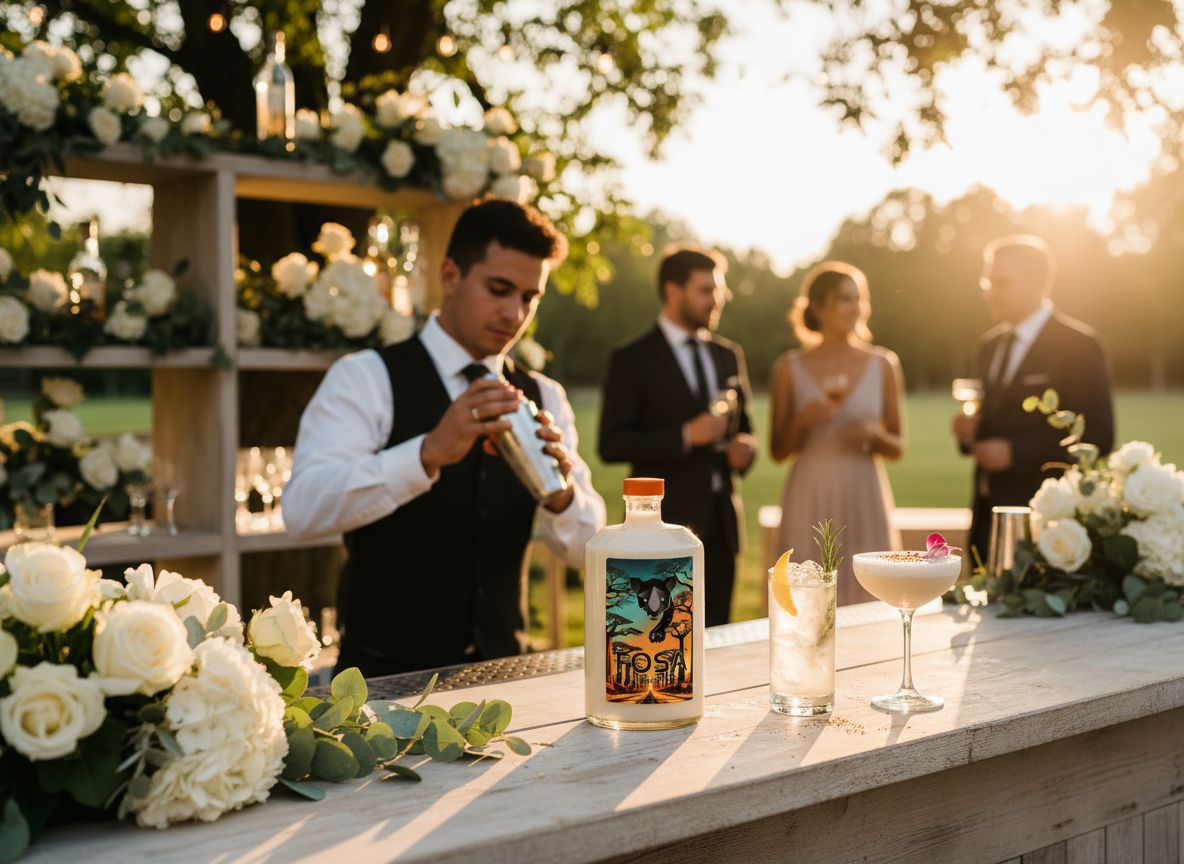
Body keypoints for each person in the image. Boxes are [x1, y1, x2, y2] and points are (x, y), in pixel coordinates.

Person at [284, 198, 606, 677]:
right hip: (381, 685)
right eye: (499, 289)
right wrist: (427, 454)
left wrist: (560, 497)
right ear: (451, 276)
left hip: (505, 682)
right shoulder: (365, 379)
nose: (514, 312)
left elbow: (591, 551)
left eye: (528, 297)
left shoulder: (545, 396)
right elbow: (302, 510)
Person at [599, 246, 757, 626]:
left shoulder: (727, 354)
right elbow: (612, 443)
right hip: (660, 526)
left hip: (721, 525)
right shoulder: (633, 358)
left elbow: (745, 428)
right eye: (705, 290)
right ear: (673, 292)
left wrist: (745, 451)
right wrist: (685, 435)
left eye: (718, 291)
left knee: (717, 636)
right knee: (658, 634)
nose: (716, 300)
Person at [954, 235, 1114, 560]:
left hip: (1049, 525)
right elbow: (992, 422)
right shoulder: (988, 347)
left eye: (1000, 282)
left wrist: (1016, 453)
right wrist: (968, 434)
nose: (990, 292)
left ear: (1037, 282)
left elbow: (1098, 436)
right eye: (987, 281)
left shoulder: (1079, 346)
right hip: (987, 519)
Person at [769, 261, 905, 605]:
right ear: (818, 306)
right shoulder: (788, 368)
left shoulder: (883, 364)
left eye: (860, 298)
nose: (856, 308)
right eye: (845, 298)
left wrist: (873, 436)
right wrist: (802, 421)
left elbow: (897, 447)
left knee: (868, 594)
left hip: (864, 490)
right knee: (806, 597)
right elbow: (777, 451)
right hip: (809, 490)